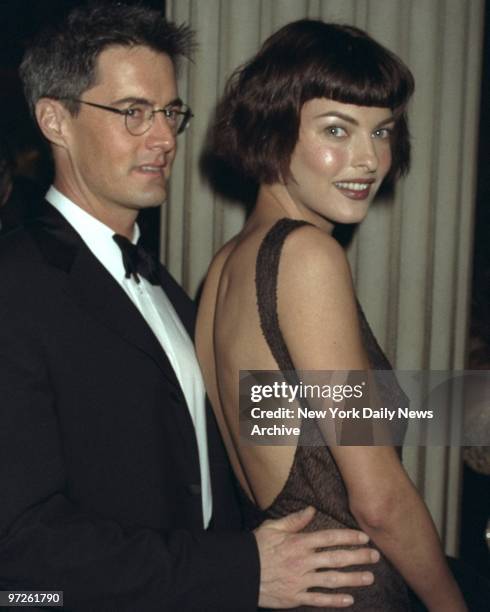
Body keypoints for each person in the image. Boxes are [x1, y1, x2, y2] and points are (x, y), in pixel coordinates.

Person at [0, 5, 380, 611]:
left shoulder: (165, 287)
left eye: (171, 112)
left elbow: (271, 420)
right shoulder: (16, 284)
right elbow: (20, 565)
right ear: (55, 120)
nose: (163, 137)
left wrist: (448, 409)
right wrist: (240, 570)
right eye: (133, 113)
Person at [196, 20, 467, 611]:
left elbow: (277, 437)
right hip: (357, 592)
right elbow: (378, 499)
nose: (368, 158)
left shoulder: (223, 269)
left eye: (382, 130)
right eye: (337, 130)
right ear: (273, 131)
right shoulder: (307, 255)